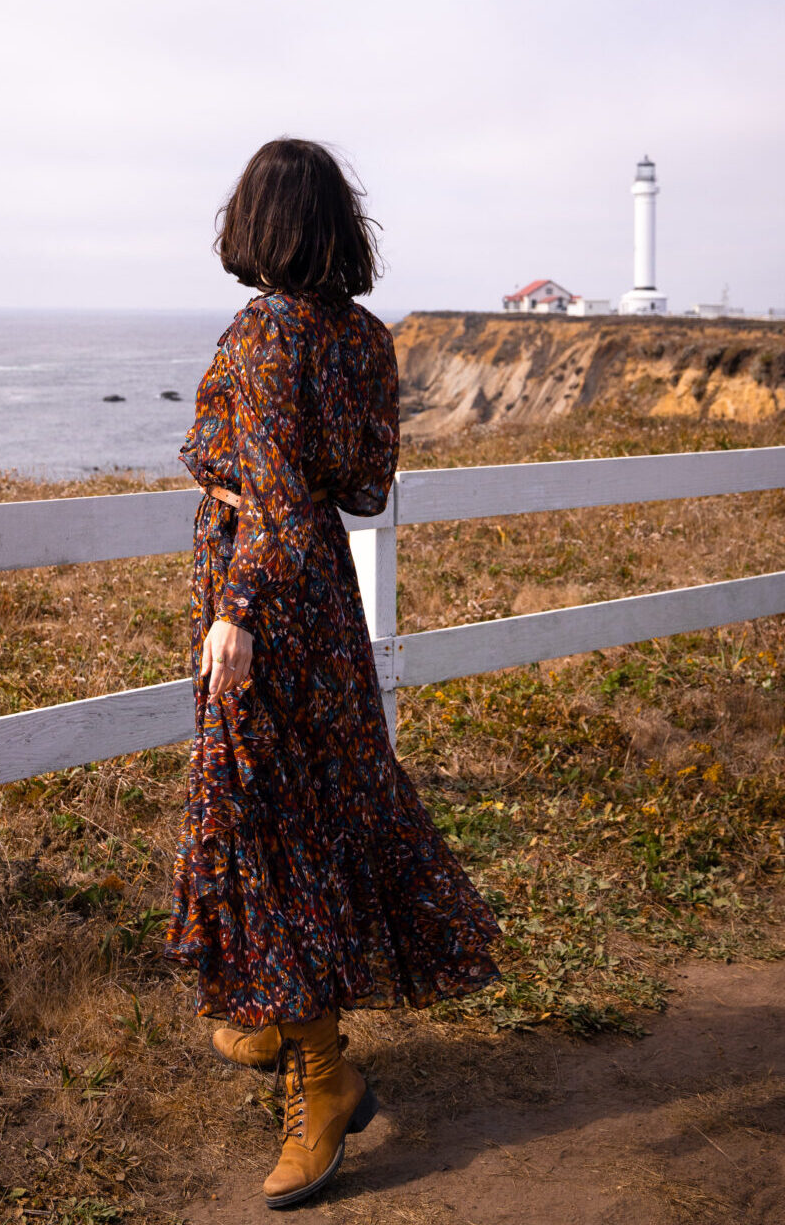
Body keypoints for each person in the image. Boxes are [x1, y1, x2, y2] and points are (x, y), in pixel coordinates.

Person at [164, 137, 501, 1209]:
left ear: (255, 223)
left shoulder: (261, 335)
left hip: (265, 616)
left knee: (267, 831)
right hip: (328, 615)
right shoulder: (363, 337)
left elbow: (267, 497)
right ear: (336, 225)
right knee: (313, 819)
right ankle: (278, 1016)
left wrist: (236, 609)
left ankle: (321, 1077)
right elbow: (359, 491)